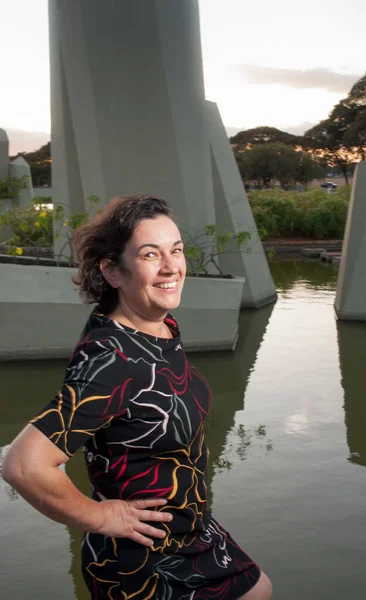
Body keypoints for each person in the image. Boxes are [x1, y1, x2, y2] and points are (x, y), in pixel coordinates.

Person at [3, 195, 272, 600]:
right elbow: (24, 465)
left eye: (176, 251)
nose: (171, 267)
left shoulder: (157, 327)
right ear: (112, 271)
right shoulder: (110, 358)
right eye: (150, 254)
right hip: (144, 561)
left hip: (190, 533)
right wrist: (98, 515)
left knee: (259, 589)